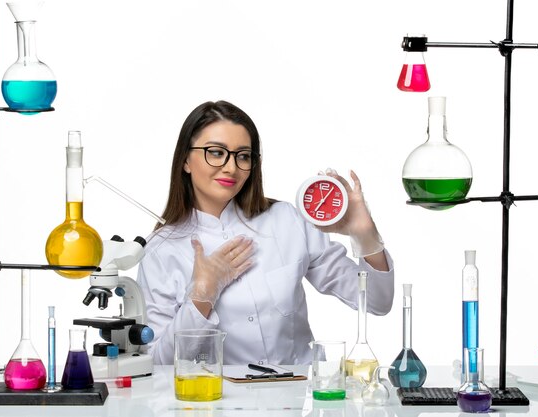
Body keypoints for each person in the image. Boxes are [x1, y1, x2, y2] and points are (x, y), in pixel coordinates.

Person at [137, 100, 394, 365]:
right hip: (213, 402)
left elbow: (377, 301)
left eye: (243, 155)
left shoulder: (287, 220)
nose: (231, 167)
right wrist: (202, 294)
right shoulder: (160, 249)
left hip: (295, 401)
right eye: (215, 152)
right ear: (185, 161)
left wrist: (364, 234)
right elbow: (157, 364)